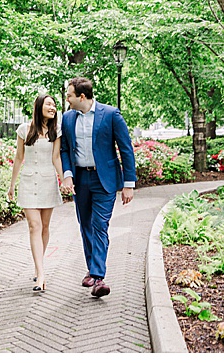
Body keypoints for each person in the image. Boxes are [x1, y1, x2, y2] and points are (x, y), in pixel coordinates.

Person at [60, 74, 138, 298]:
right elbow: (65, 149)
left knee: (99, 224)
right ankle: (92, 271)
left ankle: (98, 277)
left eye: (69, 95)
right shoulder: (67, 118)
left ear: (81, 96)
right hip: (80, 180)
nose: (67, 99)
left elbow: (126, 148)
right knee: (85, 225)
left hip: (104, 180)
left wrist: (128, 184)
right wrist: (67, 175)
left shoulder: (111, 115)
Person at [10, 91, 65, 293]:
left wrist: (64, 179)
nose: (52, 108)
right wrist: (12, 184)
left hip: (48, 181)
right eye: (49, 104)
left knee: (44, 227)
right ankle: (41, 275)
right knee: (34, 225)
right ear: (39, 106)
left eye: (54, 106)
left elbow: (56, 158)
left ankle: (38, 265)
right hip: (27, 182)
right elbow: (18, 158)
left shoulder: (56, 131)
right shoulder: (24, 130)